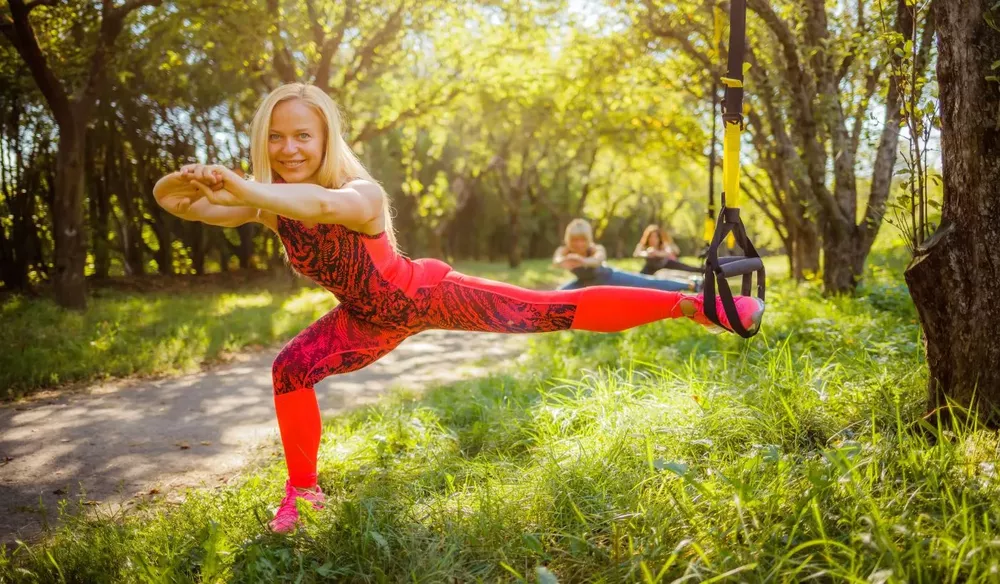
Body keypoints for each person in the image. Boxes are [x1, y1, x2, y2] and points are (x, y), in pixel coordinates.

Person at [153, 83, 765, 533]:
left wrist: (245, 186)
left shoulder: (357, 193)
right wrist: (189, 180)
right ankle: (303, 493)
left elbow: (317, 205)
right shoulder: (269, 201)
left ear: (326, 139)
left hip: (425, 293)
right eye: (276, 137)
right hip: (365, 321)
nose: (289, 147)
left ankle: (698, 305)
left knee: (548, 310)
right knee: (289, 369)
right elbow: (187, 206)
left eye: (302, 135)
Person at [555, 219, 697, 292]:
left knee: (648, 283)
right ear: (568, 239)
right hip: (585, 284)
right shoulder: (565, 251)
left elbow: (597, 260)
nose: (579, 244)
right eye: (575, 240)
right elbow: (557, 260)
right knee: (559, 293)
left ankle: (691, 284)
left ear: (588, 238)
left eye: (582, 239)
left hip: (610, 277)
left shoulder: (595, 248)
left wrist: (581, 261)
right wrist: (564, 260)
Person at [634, 224, 702, 275]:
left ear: (659, 238)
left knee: (687, 268)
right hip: (650, 267)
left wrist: (656, 253)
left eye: (655, 237)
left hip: (666, 264)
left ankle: (703, 270)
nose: (653, 239)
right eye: (651, 237)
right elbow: (636, 253)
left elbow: (668, 252)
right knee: (640, 276)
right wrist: (647, 253)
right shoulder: (643, 245)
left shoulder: (663, 244)